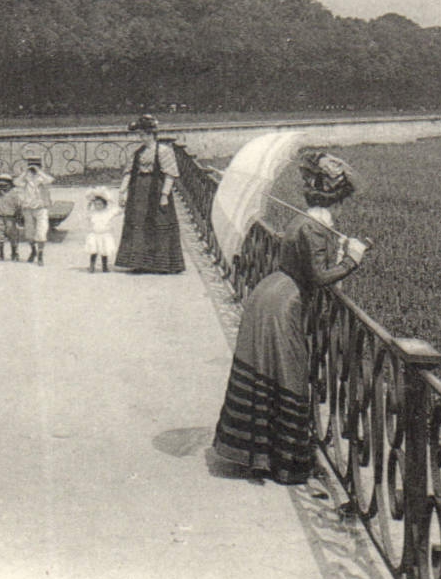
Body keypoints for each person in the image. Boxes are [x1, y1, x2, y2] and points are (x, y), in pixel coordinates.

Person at [213, 152, 368, 484]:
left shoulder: (305, 222)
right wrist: (353, 260)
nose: (344, 209)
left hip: (269, 295)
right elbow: (318, 277)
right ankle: (286, 461)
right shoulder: (314, 228)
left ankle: (257, 453)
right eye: (344, 203)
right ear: (337, 201)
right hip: (284, 304)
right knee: (289, 374)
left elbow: (310, 263)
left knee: (264, 369)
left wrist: (339, 250)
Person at [115, 115, 184, 274]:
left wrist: (165, 194)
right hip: (139, 192)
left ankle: (162, 264)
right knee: (139, 223)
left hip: (156, 190)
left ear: (152, 134)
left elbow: (170, 174)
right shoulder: (138, 152)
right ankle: (139, 263)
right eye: (140, 135)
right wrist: (122, 192)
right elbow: (128, 172)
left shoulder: (164, 151)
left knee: (159, 223)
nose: (142, 138)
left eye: (145, 134)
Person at [17, 158, 56, 265]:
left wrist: (39, 172)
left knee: (41, 232)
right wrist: (25, 172)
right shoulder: (26, 178)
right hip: (28, 208)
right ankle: (33, 250)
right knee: (29, 233)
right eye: (31, 166)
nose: (33, 169)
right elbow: (16, 182)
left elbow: (50, 180)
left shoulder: (43, 178)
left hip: (41, 208)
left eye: (36, 166)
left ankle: (40, 255)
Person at [84, 188, 121, 273]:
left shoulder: (108, 212)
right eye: (96, 204)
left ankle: (105, 267)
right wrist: (89, 204)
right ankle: (92, 266)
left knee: (105, 251)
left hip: (105, 234)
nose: (98, 206)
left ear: (104, 204)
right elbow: (86, 214)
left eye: (100, 204)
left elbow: (118, 211)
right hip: (95, 234)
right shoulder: (92, 213)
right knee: (93, 251)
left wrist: (111, 201)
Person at [0, 175, 22, 261]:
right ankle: (1, 254)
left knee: (13, 236)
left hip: (10, 218)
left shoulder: (14, 194)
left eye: (6, 184)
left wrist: (18, 217)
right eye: (2, 184)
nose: (4, 186)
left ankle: (14, 253)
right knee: (0, 236)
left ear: (11, 184)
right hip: (0, 217)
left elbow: (18, 206)